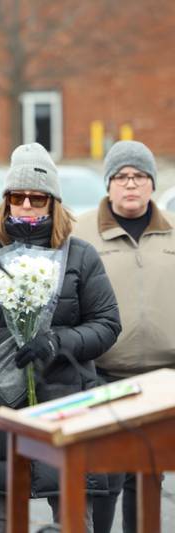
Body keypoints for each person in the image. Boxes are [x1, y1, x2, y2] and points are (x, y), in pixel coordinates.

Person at [0, 143, 120, 533]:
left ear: (54, 203)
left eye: (37, 197)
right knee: (1, 521)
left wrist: (56, 343)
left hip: (65, 401)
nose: (26, 205)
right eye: (17, 196)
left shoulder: (80, 256)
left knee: (73, 517)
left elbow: (108, 323)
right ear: (6, 202)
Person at [73, 140, 174, 533]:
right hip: (102, 374)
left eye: (139, 176)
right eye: (121, 176)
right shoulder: (81, 233)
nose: (130, 184)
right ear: (108, 184)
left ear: (151, 183)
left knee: (147, 475)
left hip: (161, 379)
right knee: (103, 477)